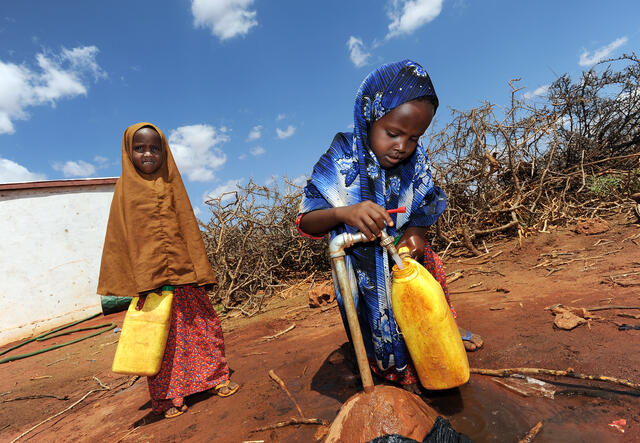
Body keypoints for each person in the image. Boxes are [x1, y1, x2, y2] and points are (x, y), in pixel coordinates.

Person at [297, 60, 483, 393]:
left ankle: (442, 352)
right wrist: (346, 212)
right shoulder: (341, 157)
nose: (403, 146)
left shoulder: (416, 159)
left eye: (414, 137)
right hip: (362, 272)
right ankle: (396, 376)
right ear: (368, 117)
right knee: (378, 327)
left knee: (426, 315)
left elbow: (425, 205)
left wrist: (415, 236)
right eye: (393, 134)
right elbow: (307, 219)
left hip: (410, 263)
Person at [98, 122, 239, 418]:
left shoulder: (173, 183)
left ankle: (214, 379)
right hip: (151, 284)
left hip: (185, 277)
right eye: (139, 148)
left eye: (154, 148)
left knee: (201, 328)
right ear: (128, 152)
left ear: (164, 152)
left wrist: (199, 270)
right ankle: (169, 397)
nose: (147, 154)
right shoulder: (124, 193)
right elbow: (118, 241)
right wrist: (136, 281)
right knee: (159, 343)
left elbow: (188, 227)